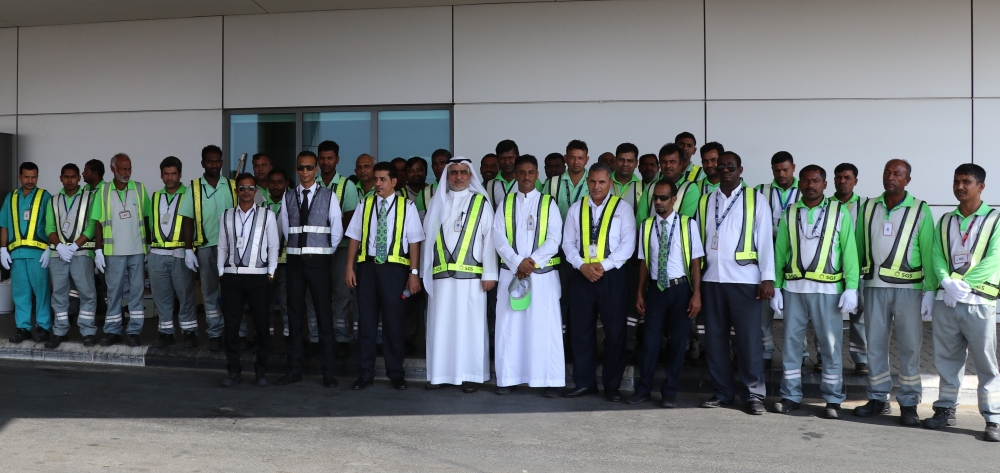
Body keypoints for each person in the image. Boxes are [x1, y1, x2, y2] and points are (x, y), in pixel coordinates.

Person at [771, 165, 859, 419]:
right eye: (806, 181)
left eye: (816, 181)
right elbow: (780, 253)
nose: (811, 185)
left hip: (828, 290)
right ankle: (790, 396)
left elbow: (849, 253)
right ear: (800, 184)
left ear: (825, 184)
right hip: (794, 290)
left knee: (830, 346)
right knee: (791, 345)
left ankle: (833, 399)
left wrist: (851, 288)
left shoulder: (839, 212)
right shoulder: (790, 213)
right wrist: (776, 286)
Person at [922, 163, 1000, 442]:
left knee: (985, 363)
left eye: (966, 181)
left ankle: (993, 418)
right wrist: (944, 283)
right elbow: (937, 255)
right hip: (949, 302)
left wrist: (964, 284)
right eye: (956, 181)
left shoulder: (995, 220)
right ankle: (945, 409)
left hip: (978, 301)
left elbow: (995, 258)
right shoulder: (945, 220)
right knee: (947, 359)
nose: (959, 187)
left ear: (981, 186)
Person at [853, 159, 934, 426]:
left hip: (908, 290)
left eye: (897, 174)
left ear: (907, 180)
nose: (891, 177)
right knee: (874, 344)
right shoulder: (869, 207)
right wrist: (854, 285)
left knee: (910, 347)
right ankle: (878, 398)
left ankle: (909, 402)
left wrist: (931, 290)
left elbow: (929, 253)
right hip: (875, 286)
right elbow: (859, 248)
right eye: (887, 172)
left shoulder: (920, 209)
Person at [695, 151, 774, 415]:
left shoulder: (756, 199)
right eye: (721, 166)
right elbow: (699, 242)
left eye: (731, 166)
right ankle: (723, 392)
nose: (725, 170)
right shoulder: (706, 200)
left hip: (746, 280)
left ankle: (753, 394)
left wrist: (767, 278)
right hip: (713, 280)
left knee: (748, 339)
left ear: (740, 170)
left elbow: (765, 241)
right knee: (714, 339)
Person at [345, 162, 423, 391]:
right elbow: (354, 238)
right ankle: (365, 373)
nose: (377, 183)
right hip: (367, 269)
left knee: (393, 324)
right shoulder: (365, 204)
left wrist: (414, 274)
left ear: (394, 182)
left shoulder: (406, 206)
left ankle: (396, 374)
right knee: (366, 324)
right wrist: (349, 267)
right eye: (376, 179)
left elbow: (415, 242)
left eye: (382, 180)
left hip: (394, 271)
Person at [563, 162, 637, 402]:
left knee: (615, 332)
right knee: (581, 331)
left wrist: (602, 266)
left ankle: (612, 386)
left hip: (611, 276)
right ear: (587, 182)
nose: (596, 186)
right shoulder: (576, 208)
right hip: (582, 275)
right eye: (592, 181)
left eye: (602, 182)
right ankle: (584, 383)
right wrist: (582, 266)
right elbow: (568, 244)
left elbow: (628, 245)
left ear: (610, 183)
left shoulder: (622, 209)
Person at [422, 157, 497, 393]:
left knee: (471, 327)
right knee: (440, 326)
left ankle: (471, 376)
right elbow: (428, 240)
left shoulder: (481, 202)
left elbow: (490, 240)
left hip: (473, 279)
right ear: (447, 176)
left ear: (470, 175)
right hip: (442, 278)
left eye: (463, 172)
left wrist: (490, 274)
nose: (458, 177)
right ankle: (441, 375)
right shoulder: (438, 201)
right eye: (453, 172)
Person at [493, 155, 564, 397]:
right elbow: (498, 237)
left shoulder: (548, 203)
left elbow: (555, 239)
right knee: (509, 327)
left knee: (543, 328)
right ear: (515, 174)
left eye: (530, 172)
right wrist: (516, 263)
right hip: (512, 275)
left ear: (537, 175)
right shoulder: (505, 202)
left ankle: (547, 380)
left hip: (541, 277)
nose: (525, 177)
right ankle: (509, 378)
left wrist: (529, 264)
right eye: (521, 172)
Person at [629, 179, 704, 407]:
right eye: (656, 198)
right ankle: (643, 389)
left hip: (680, 288)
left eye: (663, 198)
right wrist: (640, 293)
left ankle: (669, 391)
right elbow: (643, 262)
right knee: (650, 342)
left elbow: (695, 262)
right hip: (656, 290)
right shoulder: (647, 225)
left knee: (678, 342)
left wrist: (696, 294)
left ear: (674, 199)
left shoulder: (687, 224)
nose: (659, 202)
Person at [276, 151, 343, 387]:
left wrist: (324, 253)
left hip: (319, 263)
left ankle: (329, 373)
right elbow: (284, 230)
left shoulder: (329, 196)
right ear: (296, 169)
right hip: (294, 263)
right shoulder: (288, 197)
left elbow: (336, 231)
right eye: (301, 168)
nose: (305, 172)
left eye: (309, 167)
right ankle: (294, 370)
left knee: (324, 317)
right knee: (294, 317)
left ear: (316, 169)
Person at [218, 173, 280, 388]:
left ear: (256, 191)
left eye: (250, 188)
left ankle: (261, 371)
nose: (246, 191)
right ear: (236, 191)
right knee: (232, 325)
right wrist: (220, 271)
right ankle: (233, 371)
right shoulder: (226, 215)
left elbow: (274, 246)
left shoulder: (267, 215)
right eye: (242, 188)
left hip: (258, 277)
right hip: (232, 277)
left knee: (262, 325)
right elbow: (222, 246)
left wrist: (271, 272)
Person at [90, 154, 152, 347]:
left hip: (137, 249)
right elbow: (98, 223)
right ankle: (113, 331)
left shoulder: (139, 189)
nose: (127, 173)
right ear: (113, 170)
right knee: (113, 292)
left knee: (137, 291)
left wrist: (149, 245)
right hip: (113, 250)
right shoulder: (103, 191)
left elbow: (148, 218)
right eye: (123, 169)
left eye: (129, 169)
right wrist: (98, 250)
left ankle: (134, 331)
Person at [180, 145, 236, 351]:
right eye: (210, 161)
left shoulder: (232, 186)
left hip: (231, 249)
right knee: (210, 292)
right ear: (203, 163)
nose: (214, 164)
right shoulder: (193, 188)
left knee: (233, 292)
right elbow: (187, 220)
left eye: (217, 161)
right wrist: (188, 249)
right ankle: (215, 333)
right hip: (205, 248)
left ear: (222, 162)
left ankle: (236, 333)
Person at [543, 139, 590, 359]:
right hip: (558, 251)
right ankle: (558, 344)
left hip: (587, 252)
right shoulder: (552, 183)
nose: (576, 162)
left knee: (582, 299)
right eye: (572, 157)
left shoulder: (595, 181)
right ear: (565, 158)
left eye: (580, 158)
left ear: (587, 159)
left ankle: (577, 344)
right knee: (560, 297)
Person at [314, 140, 361, 358]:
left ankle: (341, 338)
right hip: (313, 250)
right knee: (314, 294)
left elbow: (350, 219)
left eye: (329, 158)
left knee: (341, 294)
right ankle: (316, 337)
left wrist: (331, 240)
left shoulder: (346, 185)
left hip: (340, 248)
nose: (325, 162)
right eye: (322, 158)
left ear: (337, 160)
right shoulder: (310, 181)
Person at [755, 151, 801, 369]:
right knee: (764, 309)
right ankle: (765, 352)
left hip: (797, 259)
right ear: (772, 169)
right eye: (777, 170)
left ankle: (800, 355)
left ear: (793, 167)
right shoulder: (760, 191)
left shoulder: (807, 189)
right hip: (767, 257)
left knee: (796, 312)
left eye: (786, 169)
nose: (781, 174)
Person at [44, 163, 98, 348]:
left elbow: (92, 227)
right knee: (59, 294)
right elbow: (49, 228)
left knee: (86, 293)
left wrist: (74, 246)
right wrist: (59, 247)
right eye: (66, 176)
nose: (69, 180)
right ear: (61, 178)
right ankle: (60, 331)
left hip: (82, 252)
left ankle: (88, 331)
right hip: (58, 254)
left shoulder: (90, 198)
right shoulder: (54, 200)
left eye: (73, 176)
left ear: (79, 178)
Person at [148, 157, 199, 349]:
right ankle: (166, 332)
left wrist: (190, 250)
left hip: (180, 253)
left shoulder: (190, 195)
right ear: (161, 175)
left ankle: (189, 332)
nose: (170, 178)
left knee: (185, 294)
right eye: (166, 174)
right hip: (157, 253)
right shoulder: (155, 196)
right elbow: (148, 223)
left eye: (173, 173)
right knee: (161, 296)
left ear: (180, 174)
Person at [1, 162, 53, 344]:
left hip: (39, 254)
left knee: (42, 292)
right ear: (19, 177)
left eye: (34, 177)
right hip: (16, 254)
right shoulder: (11, 198)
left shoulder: (45, 196)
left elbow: (51, 225)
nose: (30, 180)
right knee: (20, 293)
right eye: (27, 177)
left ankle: (43, 327)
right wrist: (2, 249)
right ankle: (23, 328)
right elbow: (4, 225)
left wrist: (50, 248)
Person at [833, 162, 869, 375]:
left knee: (860, 317)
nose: (842, 181)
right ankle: (824, 355)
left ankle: (861, 359)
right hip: (832, 272)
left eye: (847, 177)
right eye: (838, 177)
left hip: (859, 271)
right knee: (830, 317)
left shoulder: (866, 206)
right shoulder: (825, 204)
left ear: (855, 181)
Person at [637, 143, 699, 221]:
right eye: (664, 162)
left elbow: (684, 220)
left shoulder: (690, 188)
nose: (668, 166)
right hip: (649, 233)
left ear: (681, 164)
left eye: (672, 162)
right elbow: (640, 218)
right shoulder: (650, 187)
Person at [83, 159, 108, 322]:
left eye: (86, 171)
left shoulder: (106, 190)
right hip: (84, 243)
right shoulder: (84, 190)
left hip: (102, 243)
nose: (83, 174)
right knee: (84, 281)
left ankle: (111, 314)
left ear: (95, 173)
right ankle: (88, 314)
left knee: (106, 282)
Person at [485, 140, 520, 208]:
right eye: (502, 158)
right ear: (497, 160)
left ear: (518, 157)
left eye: (510, 158)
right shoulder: (491, 184)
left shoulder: (528, 181)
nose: (507, 162)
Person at [611, 143, 642, 216]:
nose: (625, 164)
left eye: (630, 161)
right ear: (615, 160)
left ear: (636, 163)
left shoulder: (642, 187)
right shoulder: (602, 182)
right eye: (621, 160)